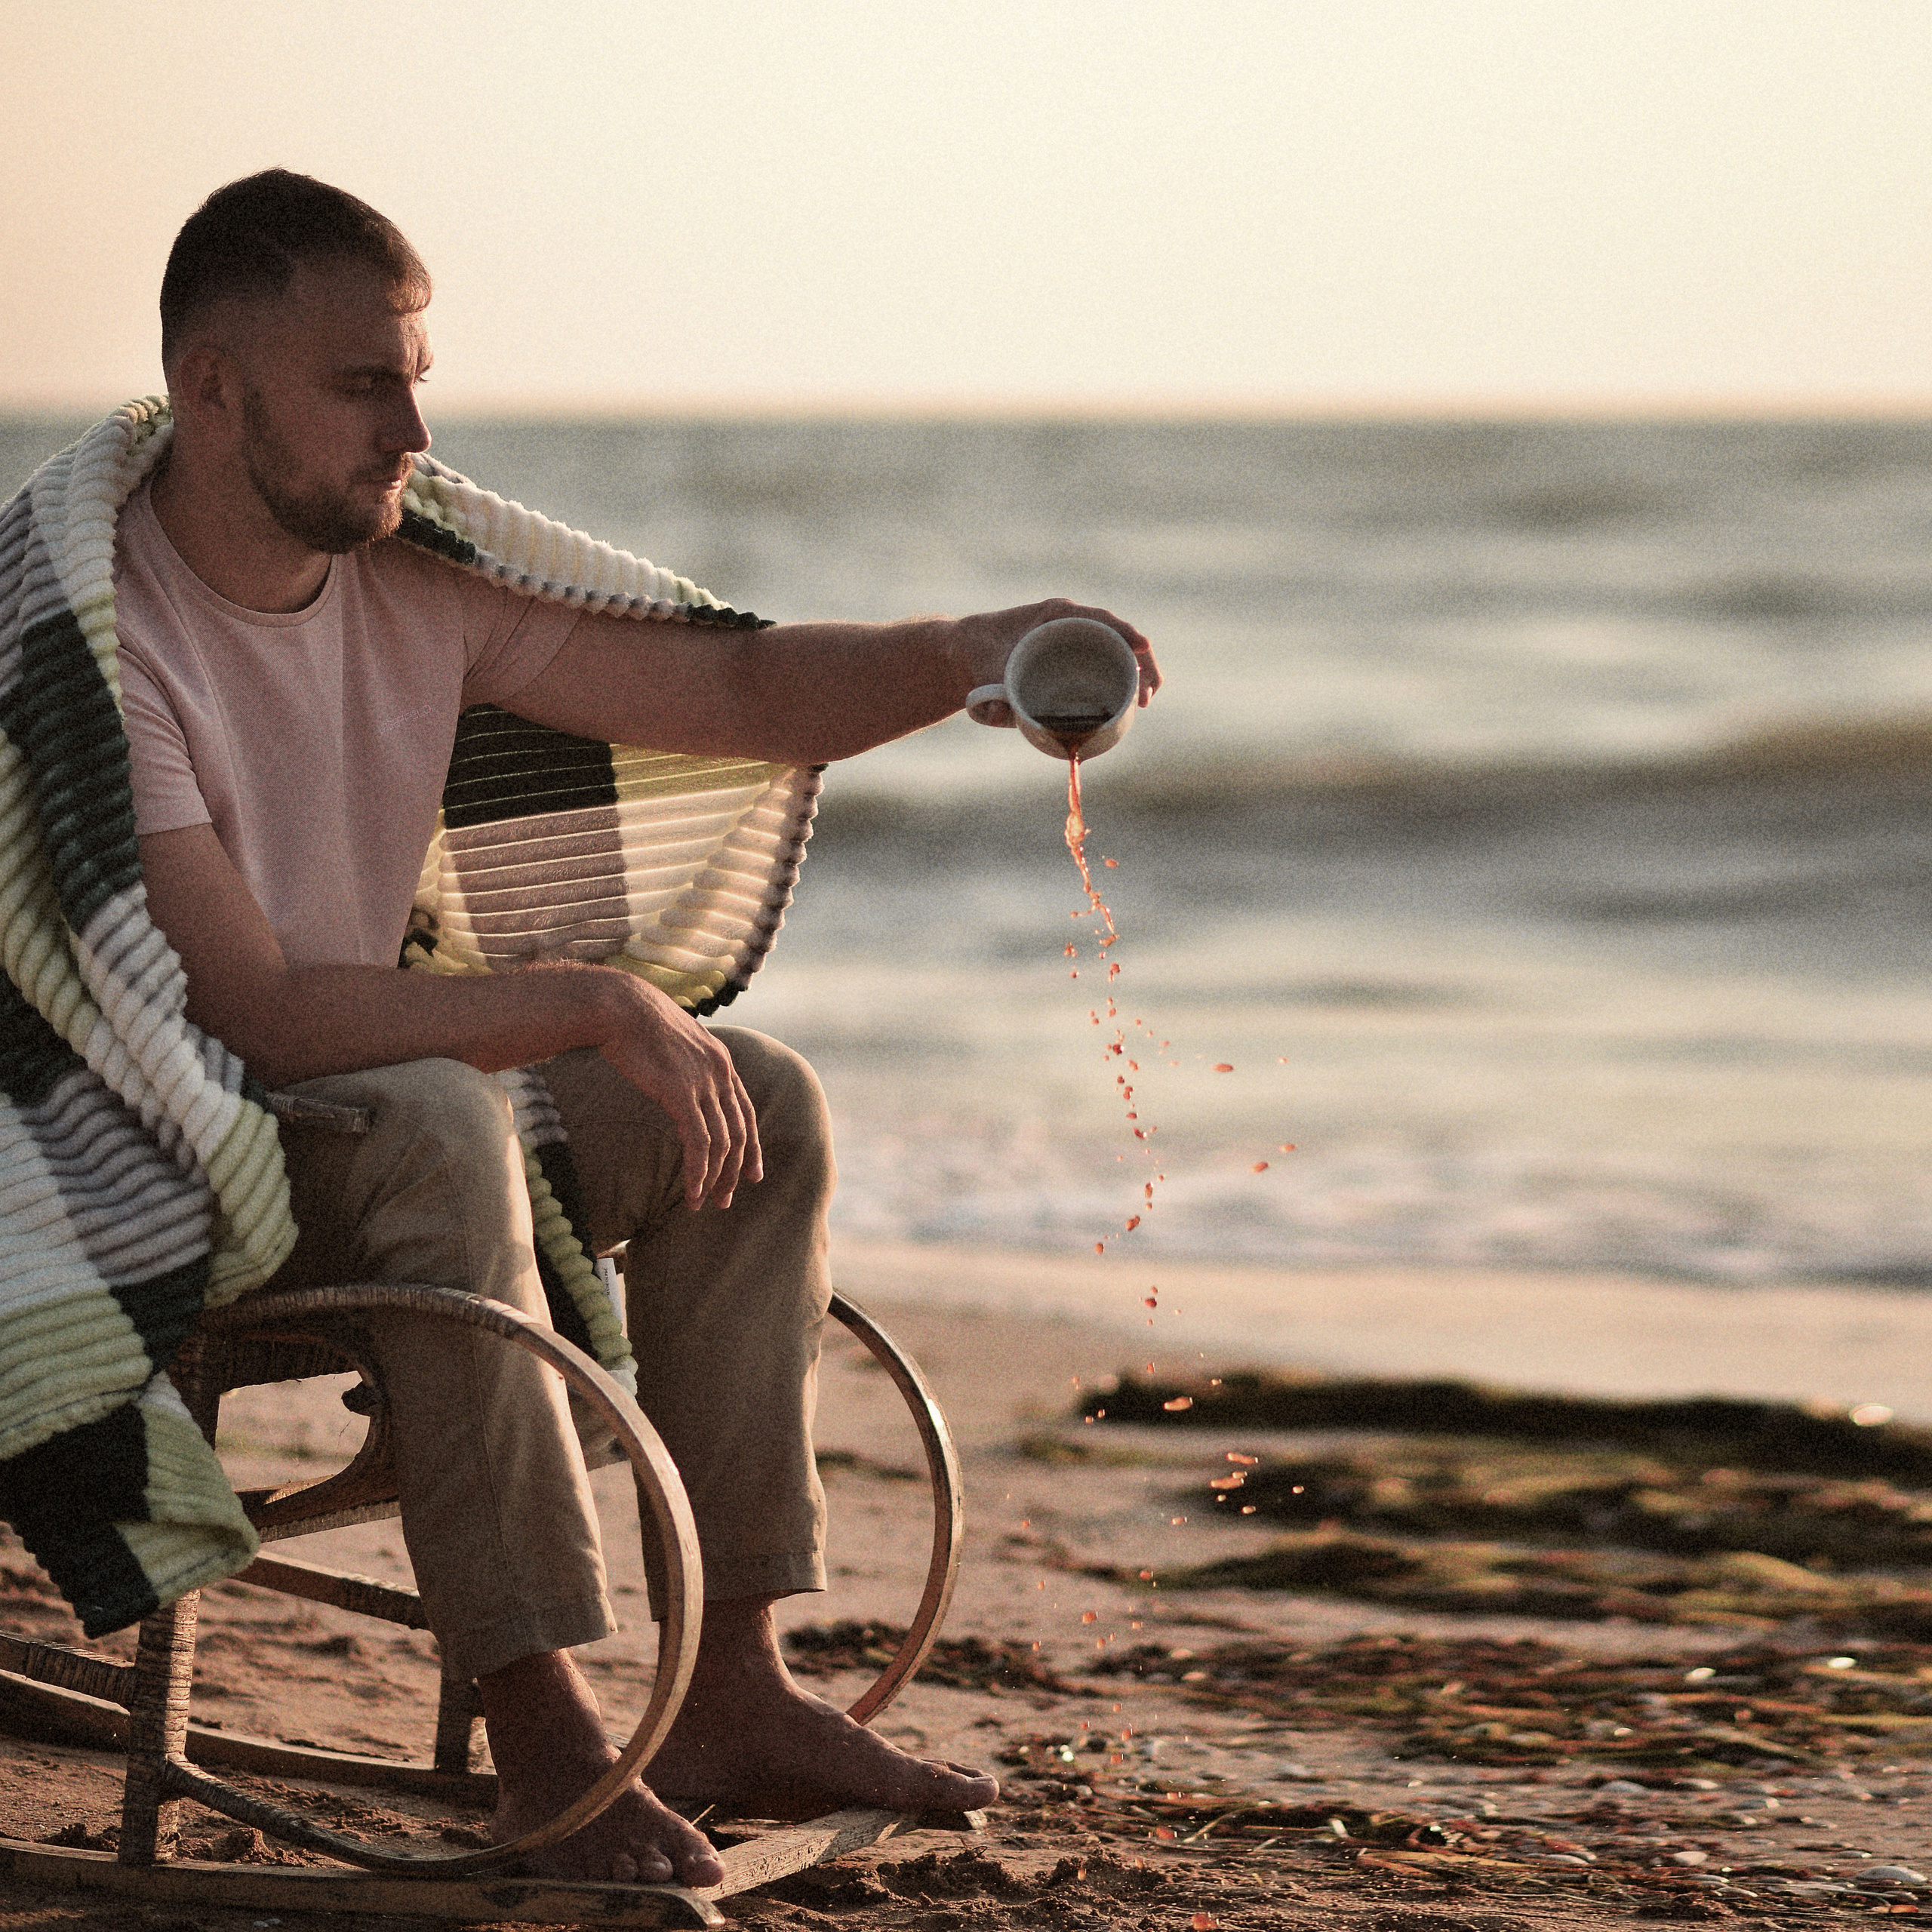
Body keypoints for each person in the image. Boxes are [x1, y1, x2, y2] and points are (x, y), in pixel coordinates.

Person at [116, 170, 1158, 1888]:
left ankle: (727, 1685)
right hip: (154, 1169)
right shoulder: (94, 640)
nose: (411, 431)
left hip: (345, 1131)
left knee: (754, 1099)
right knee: (442, 1112)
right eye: (364, 386)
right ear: (212, 387)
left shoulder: (412, 576)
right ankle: (545, 1736)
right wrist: (595, 1001)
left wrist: (972, 652)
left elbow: (736, 690)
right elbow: (267, 1015)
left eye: (416, 378)